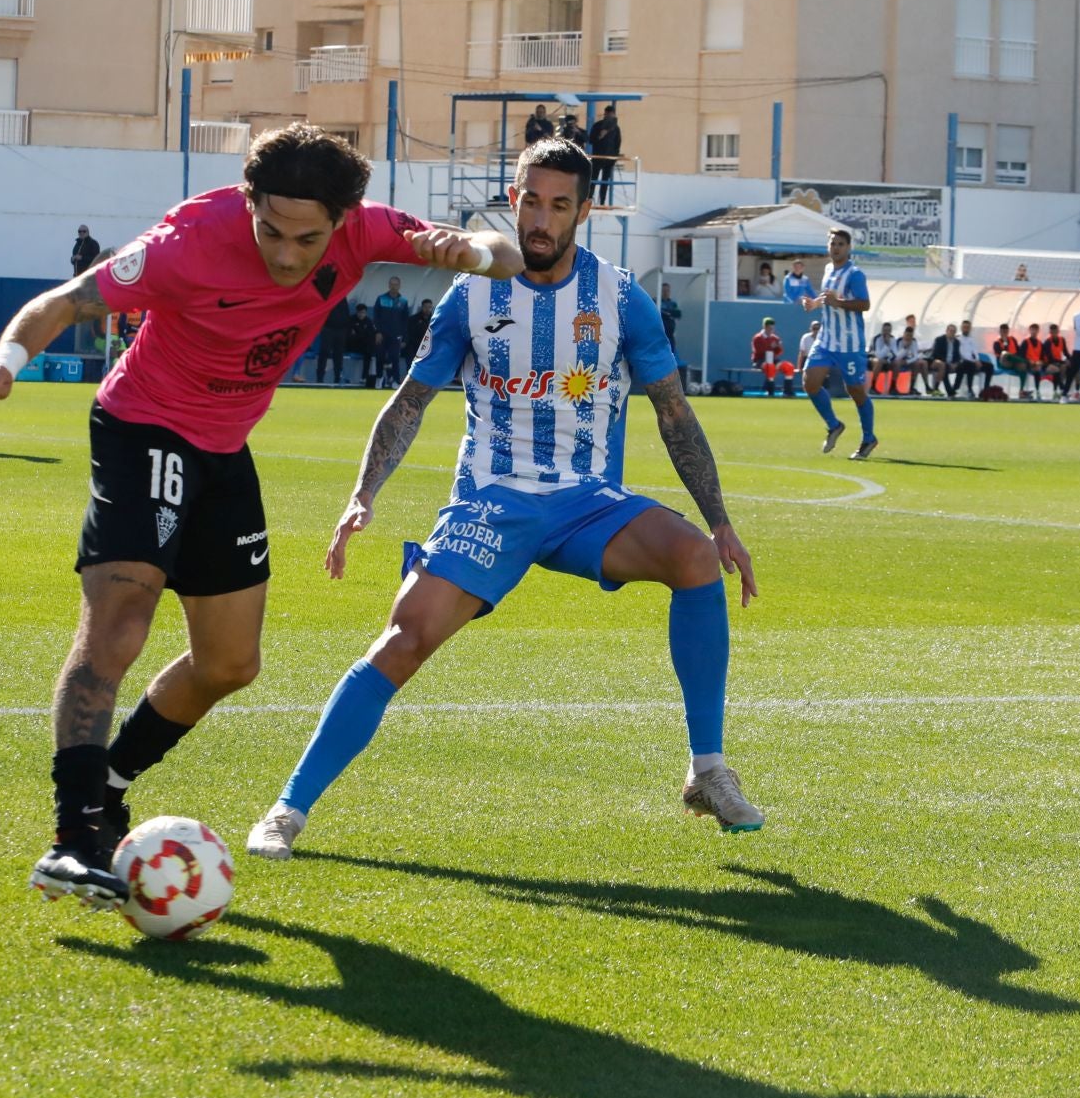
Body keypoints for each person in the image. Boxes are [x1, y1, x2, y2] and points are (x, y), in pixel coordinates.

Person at [0, 122, 523, 905]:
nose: (288, 255)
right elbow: (64, 303)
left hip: (224, 450)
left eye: (309, 239)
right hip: (143, 425)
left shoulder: (369, 231)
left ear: (343, 223)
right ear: (248, 202)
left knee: (230, 665)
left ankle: (113, 783)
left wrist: (477, 253)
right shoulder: (185, 241)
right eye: (271, 231)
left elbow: (511, 258)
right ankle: (73, 838)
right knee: (120, 623)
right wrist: (5, 362)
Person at [245, 136, 761, 860]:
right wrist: (362, 494)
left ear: (584, 211)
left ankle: (708, 771)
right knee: (405, 639)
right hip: (491, 502)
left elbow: (674, 413)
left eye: (558, 205)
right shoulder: (471, 292)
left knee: (696, 560)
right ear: (513, 200)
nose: (540, 221)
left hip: (588, 503)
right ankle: (287, 810)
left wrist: (721, 522)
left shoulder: (619, 298)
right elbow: (410, 401)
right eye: (529, 202)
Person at [799, 228, 877, 459]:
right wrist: (814, 304)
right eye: (833, 243)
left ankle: (868, 438)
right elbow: (828, 298)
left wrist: (839, 302)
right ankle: (834, 425)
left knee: (854, 390)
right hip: (826, 339)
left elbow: (864, 304)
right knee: (809, 382)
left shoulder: (855, 274)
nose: (836, 248)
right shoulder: (828, 270)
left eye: (841, 244)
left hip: (850, 344)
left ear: (849, 248)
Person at [371, 275, 410, 386]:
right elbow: (376, 317)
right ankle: (379, 378)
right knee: (380, 356)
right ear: (389, 285)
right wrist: (377, 332)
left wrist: (404, 338)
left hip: (396, 335)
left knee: (394, 358)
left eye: (396, 284)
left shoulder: (403, 301)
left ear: (399, 286)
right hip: (382, 334)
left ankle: (395, 380)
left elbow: (405, 321)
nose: (393, 287)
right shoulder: (381, 298)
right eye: (392, 284)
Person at [752, 317, 798, 396]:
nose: (771, 330)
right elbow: (759, 351)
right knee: (770, 367)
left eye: (772, 328)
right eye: (769, 328)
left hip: (773, 359)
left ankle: (787, 391)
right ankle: (770, 390)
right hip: (761, 360)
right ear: (764, 327)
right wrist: (771, 347)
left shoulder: (775, 338)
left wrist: (778, 347)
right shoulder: (758, 338)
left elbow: (779, 352)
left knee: (789, 367)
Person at [586, 103, 620, 203]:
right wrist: (599, 136)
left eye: (611, 115)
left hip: (609, 160)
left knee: (605, 182)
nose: (609, 117)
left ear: (614, 115)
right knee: (593, 180)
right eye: (607, 114)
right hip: (597, 158)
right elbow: (591, 140)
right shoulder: (597, 126)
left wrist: (614, 159)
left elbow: (617, 144)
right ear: (605, 114)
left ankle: (602, 201)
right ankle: (589, 199)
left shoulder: (616, 129)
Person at [315, 296, 350, 384]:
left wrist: (345, 327)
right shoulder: (329, 295)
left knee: (338, 354)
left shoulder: (343, 297)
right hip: (328, 328)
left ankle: (338, 377)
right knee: (324, 352)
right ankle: (320, 378)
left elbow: (346, 313)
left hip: (341, 330)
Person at [956, 319, 993, 398]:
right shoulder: (958, 339)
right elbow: (962, 353)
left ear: (970, 329)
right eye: (964, 327)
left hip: (974, 361)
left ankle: (986, 389)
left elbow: (975, 351)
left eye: (968, 327)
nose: (966, 329)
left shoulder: (972, 339)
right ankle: (970, 389)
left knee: (990, 366)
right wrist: (974, 361)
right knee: (970, 365)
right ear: (961, 328)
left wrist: (977, 360)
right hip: (963, 362)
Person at [993, 323, 1031, 398]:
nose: (1005, 333)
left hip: (1014, 362)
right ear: (1000, 332)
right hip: (1003, 362)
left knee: (1023, 367)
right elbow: (1001, 352)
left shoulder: (1013, 339)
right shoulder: (997, 342)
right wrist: (1005, 342)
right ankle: (1026, 361)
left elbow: (1018, 351)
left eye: (1006, 331)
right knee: (1006, 354)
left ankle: (1021, 391)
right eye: (1003, 331)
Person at [347, 301, 377, 385]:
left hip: (365, 346)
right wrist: (361, 334)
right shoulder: (351, 320)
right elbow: (350, 336)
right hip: (353, 345)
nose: (361, 315)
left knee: (368, 352)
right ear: (357, 312)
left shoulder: (368, 321)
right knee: (369, 349)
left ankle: (364, 377)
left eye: (363, 313)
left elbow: (371, 334)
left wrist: (358, 333)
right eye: (359, 313)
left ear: (366, 313)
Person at [929, 323, 963, 397]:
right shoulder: (939, 340)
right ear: (946, 331)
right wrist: (947, 363)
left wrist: (955, 363)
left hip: (952, 363)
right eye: (950, 331)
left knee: (962, 367)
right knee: (944, 366)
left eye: (954, 331)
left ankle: (954, 388)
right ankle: (946, 390)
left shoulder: (957, 342)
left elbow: (958, 355)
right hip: (939, 361)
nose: (952, 333)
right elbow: (936, 354)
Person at [867, 322, 901, 395]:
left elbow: (895, 353)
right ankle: (872, 387)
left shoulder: (892, 339)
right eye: (885, 330)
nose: (886, 333)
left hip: (887, 360)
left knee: (897, 363)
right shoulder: (877, 338)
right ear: (882, 330)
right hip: (873, 359)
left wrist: (889, 359)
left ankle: (893, 387)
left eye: (888, 331)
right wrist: (887, 345)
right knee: (879, 361)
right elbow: (878, 355)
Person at [894, 324, 928, 395]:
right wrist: (905, 348)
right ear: (904, 334)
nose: (909, 338)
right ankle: (894, 386)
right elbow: (896, 356)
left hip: (909, 361)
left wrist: (907, 361)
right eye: (907, 335)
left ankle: (912, 387)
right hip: (899, 361)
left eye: (910, 336)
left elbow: (915, 356)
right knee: (897, 362)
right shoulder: (898, 341)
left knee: (917, 364)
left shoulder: (913, 341)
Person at [404, 296, 433, 362]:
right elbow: (409, 333)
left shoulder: (434, 320)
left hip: (427, 348)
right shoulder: (413, 319)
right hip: (414, 347)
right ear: (422, 307)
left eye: (429, 307)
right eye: (425, 307)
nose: (427, 309)